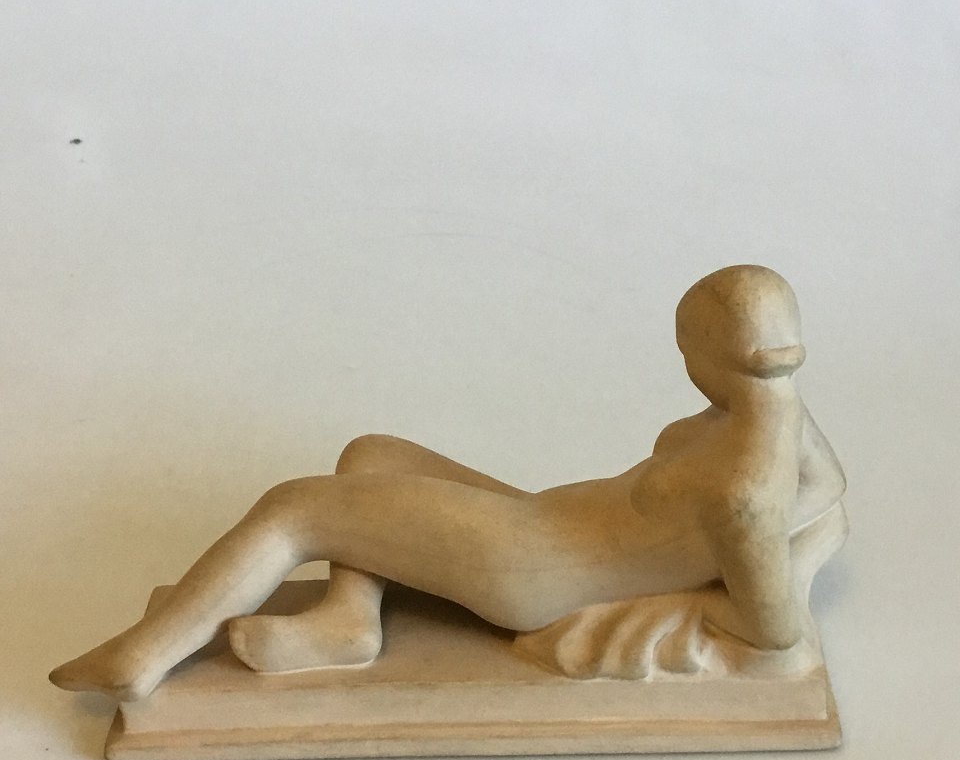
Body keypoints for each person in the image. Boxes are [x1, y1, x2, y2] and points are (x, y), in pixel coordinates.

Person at [50, 265, 846, 700]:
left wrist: (710, 597)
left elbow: (773, 632)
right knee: (374, 454)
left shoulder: (742, 492)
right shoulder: (777, 416)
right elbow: (828, 491)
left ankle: (142, 658)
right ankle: (346, 625)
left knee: (293, 510)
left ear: (705, 354)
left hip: (524, 567)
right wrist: (805, 545)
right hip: (537, 521)